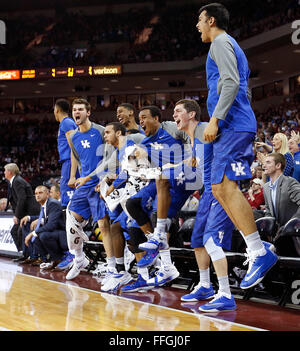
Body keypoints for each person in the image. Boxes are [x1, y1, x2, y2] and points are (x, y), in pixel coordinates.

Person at [196, 2, 277, 290]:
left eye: (200, 20)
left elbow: (230, 83)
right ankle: (255, 249)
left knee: (226, 187)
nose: (198, 25)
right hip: (235, 124)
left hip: (232, 125)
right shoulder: (225, 44)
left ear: (212, 20)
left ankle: (258, 250)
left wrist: (215, 120)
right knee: (219, 188)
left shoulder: (220, 42)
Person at [169, 99, 236, 312]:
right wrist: (175, 165)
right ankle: (205, 286)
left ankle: (225, 293)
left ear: (191, 115)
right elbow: (195, 162)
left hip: (220, 189)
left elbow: (228, 151)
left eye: (178, 111)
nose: (174, 115)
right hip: (207, 192)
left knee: (210, 240)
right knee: (198, 240)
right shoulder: (192, 138)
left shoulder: (206, 129)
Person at [65, 98, 114, 281]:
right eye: (74, 110)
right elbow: (75, 156)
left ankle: (111, 268)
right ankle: (79, 258)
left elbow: (110, 156)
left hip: (99, 182)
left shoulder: (100, 131)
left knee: (103, 225)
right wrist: (72, 176)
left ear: (88, 112)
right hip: (83, 182)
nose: (76, 112)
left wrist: (105, 179)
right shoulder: (73, 136)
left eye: (80, 109)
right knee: (71, 219)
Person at [22, 185, 73, 270]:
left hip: (64, 233)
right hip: (56, 231)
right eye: (36, 193)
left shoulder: (53, 203)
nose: (37, 195)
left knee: (42, 235)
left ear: (47, 194)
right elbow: (46, 219)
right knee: (37, 236)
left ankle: (59, 258)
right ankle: (51, 259)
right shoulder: (44, 204)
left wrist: (33, 233)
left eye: (40, 193)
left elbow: (52, 225)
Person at [261, 153, 300, 256]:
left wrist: (291, 223)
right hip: (277, 237)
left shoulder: (290, 183)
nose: (264, 165)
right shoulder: (265, 188)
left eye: (268, 162)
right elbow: (269, 212)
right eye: (264, 163)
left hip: (293, 237)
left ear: (278, 166)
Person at [4, 163, 40, 255]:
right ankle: (23, 253)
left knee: (18, 232)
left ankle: (29, 254)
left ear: (10, 172)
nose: (4, 172)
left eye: (5, 171)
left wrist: (17, 215)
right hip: (24, 212)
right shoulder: (13, 181)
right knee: (15, 232)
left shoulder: (17, 181)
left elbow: (22, 198)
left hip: (29, 212)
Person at [54, 98, 78, 208]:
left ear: (57, 110)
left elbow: (74, 147)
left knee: (67, 194)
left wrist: (72, 175)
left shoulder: (67, 122)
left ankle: (69, 221)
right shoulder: (66, 123)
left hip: (70, 162)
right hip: (68, 161)